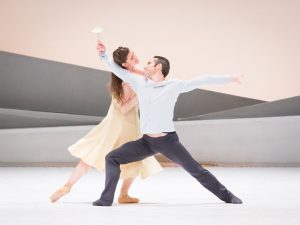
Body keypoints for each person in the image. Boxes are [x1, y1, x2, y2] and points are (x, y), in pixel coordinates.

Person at [92, 41, 243, 206]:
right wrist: (103, 55)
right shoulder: (140, 83)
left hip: (168, 142)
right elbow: (116, 69)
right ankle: (106, 199)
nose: (145, 65)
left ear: (158, 67)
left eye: (149, 63)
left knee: (196, 171)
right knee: (112, 158)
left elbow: (202, 80)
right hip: (146, 142)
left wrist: (230, 78)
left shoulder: (174, 85)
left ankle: (228, 196)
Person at [49, 47, 162, 204]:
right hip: (124, 125)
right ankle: (122, 194)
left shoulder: (127, 73)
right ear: (124, 64)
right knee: (135, 158)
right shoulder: (127, 82)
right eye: (131, 57)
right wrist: (140, 95)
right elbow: (123, 109)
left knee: (92, 154)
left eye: (133, 53)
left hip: (113, 123)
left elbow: (144, 75)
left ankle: (67, 186)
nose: (135, 57)